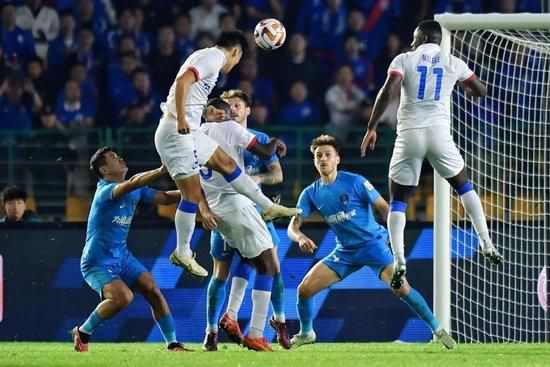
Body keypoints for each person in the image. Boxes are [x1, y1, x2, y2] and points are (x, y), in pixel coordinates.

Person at [360, 20, 503, 290]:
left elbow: (388, 90)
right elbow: (481, 90)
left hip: (410, 134)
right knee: (464, 186)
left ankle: (399, 259)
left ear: (423, 37)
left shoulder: (404, 58)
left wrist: (372, 127)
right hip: (439, 133)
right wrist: (465, 89)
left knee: (399, 199)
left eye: (415, 38)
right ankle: (486, 241)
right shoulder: (453, 61)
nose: (412, 42)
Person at [154, 29, 299, 278]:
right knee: (190, 196)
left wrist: (197, 115)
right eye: (238, 58)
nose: (236, 64)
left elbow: (191, 94)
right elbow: (182, 83)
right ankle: (182, 252)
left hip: (190, 130)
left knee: (228, 163)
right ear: (235, 51)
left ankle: (267, 206)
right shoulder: (213, 58)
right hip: (177, 131)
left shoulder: (206, 57)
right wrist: (180, 117)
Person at [288, 135, 456, 349]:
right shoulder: (310, 193)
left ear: (337, 159)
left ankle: (438, 330)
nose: (323, 159)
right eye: (318, 155)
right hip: (345, 252)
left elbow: (386, 209)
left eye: (328, 155)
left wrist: (396, 239)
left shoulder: (356, 181)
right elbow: (293, 227)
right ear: (314, 161)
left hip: (373, 245)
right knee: (304, 289)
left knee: (402, 289)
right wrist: (300, 237)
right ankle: (306, 333)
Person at [72, 147, 190, 353]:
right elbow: (134, 182)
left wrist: (196, 189)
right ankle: (83, 332)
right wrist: (162, 170)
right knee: (123, 297)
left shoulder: (135, 189)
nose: (120, 158)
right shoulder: (105, 192)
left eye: (118, 155)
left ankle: (172, 344)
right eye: (113, 158)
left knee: (152, 289)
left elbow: (166, 198)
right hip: (96, 262)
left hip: (122, 257)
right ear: (105, 170)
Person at [198, 98, 289, 351]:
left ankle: (261, 320)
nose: (233, 109)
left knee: (261, 263)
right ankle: (218, 330)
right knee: (231, 271)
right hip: (238, 207)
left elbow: (277, 174)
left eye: (237, 105)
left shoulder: (199, 133)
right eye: (229, 106)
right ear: (219, 113)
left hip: (245, 209)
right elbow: (267, 152)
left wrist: (255, 177)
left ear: (248, 110)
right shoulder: (232, 130)